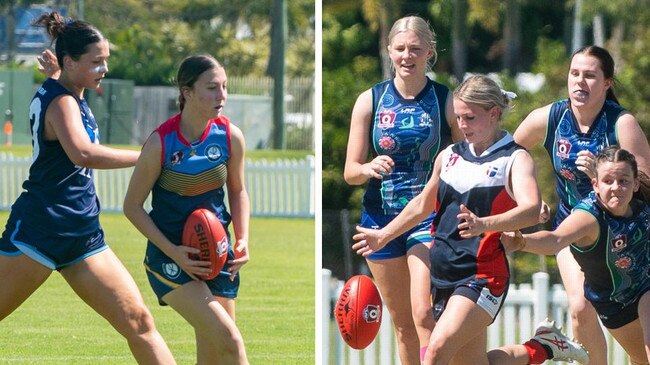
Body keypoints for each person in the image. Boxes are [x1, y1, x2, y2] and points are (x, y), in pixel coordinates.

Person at [353, 75, 589, 364]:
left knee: (436, 350)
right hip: (444, 275)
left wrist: (485, 224)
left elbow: (531, 208)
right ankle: (544, 346)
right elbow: (420, 206)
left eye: (470, 117)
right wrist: (384, 235)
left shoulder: (514, 158)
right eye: (459, 117)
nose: (462, 125)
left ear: (494, 114)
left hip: (483, 277)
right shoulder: (449, 156)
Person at [0, 12, 176, 364]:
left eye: (105, 60)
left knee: (139, 323)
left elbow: (59, 90)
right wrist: (147, 157)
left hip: (82, 235)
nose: (104, 69)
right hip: (39, 232)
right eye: (96, 62)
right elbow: (83, 152)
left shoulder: (66, 89)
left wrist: (55, 74)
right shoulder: (62, 100)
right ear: (69, 61)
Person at [513, 45, 650, 365]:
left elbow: (646, 181)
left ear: (607, 83)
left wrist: (606, 175)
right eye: (574, 74)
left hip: (625, 233)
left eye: (590, 75)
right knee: (579, 306)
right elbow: (507, 157)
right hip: (576, 229)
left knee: (639, 351)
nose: (580, 82)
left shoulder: (622, 123)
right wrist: (529, 198)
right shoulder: (549, 117)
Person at [343, 15, 462, 364]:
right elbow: (350, 171)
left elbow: (466, 152)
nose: (407, 56)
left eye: (415, 49)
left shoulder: (446, 100)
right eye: (400, 49)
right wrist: (367, 167)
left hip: (428, 216)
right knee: (402, 324)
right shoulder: (370, 100)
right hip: (379, 219)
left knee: (424, 313)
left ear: (429, 52)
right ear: (389, 51)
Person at [123, 54, 250, 364]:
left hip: (217, 255)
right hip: (170, 260)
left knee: (214, 355)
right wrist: (174, 251)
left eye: (224, 86)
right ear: (187, 91)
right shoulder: (160, 143)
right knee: (230, 340)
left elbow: (237, 189)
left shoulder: (230, 136)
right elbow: (132, 207)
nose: (221, 95)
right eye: (211, 88)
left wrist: (243, 238)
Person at [502, 146, 650, 364]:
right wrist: (522, 241)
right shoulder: (588, 217)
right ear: (595, 184)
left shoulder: (643, 205)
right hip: (615, 303)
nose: (616, 188)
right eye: (608, 181)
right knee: (640, 360)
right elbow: (555, 240)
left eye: (624, 181)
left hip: (646, 287)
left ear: (635, 183)